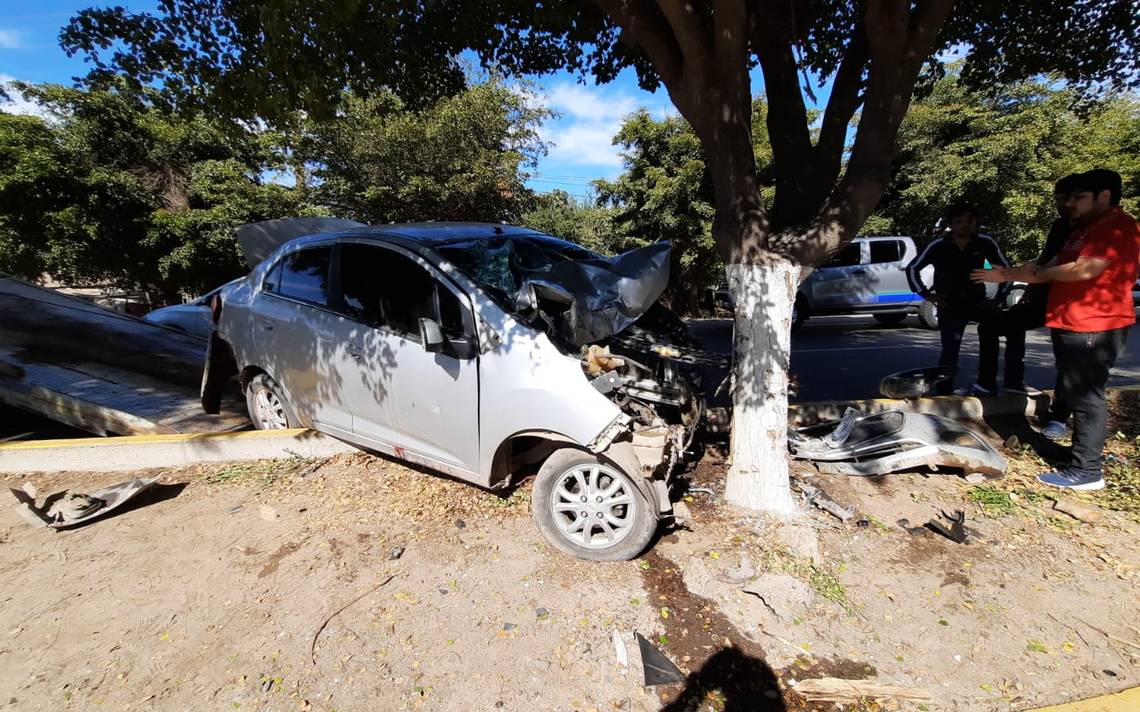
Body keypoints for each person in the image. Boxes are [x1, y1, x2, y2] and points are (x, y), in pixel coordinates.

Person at [974, 169, 1139, 491]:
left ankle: (1087, 471)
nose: (1070, 203)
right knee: (1075, 390)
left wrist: (1017, 275)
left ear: (1103, 195)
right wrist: (1022, 272)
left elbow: (1084, 269)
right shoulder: (1086, 227)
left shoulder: (1115, 226)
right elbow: (1051, 264)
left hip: (1094, 325)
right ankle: (1077, 458)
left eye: (1079, 197)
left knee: (1087, 397)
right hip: (1073, 321)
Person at [976, 174, 1081, 406]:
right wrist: (1031, 289)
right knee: (994, 326)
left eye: (1067, 199)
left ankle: (1061, 414)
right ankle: (1001, 381)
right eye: (1058, 200)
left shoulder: (1095, 229)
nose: (1063, 206)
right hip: (1044, 295)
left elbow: (1064, 266)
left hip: (1072, 305)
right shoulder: (1060, 226)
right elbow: (1046, 260)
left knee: (1068, 360)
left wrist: (1017, 274)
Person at [906, 203, 1011, 395]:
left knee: (993, 337)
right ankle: (945, 392)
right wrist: (927, 294)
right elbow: (912, 268)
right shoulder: (938, 245)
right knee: (950, 350)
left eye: (970, 221)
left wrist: (999, 298)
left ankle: (987, 384)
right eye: (959, 221)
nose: (965, 225)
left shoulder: (985, 242)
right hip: (949, 304)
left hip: (978, 302)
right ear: (951, 224)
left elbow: (1006, 269)